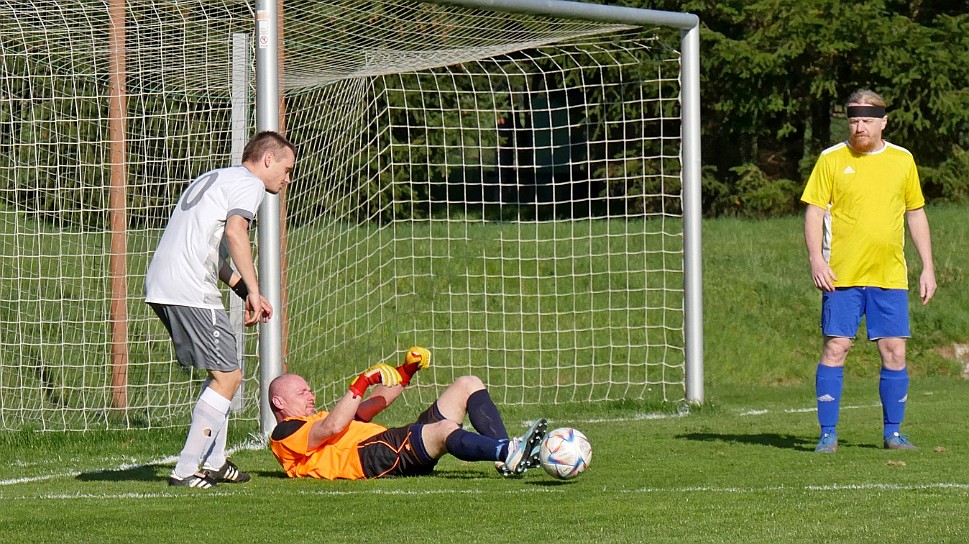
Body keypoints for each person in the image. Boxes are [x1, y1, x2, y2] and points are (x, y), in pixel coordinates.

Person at [145, 131, 297, 487]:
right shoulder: (250, 184)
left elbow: (214, 256)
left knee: (224, 373)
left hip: (165, 284)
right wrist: (257, 289)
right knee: (228, 377)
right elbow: (235, 233)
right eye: (287, 169)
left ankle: (214, 461)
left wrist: (245, 291)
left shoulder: (217, 177)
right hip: (190, 289)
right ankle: (185, 470)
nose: (287, 178)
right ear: (268, 159)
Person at [800, 89, 936, 454]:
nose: (860, 127)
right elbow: (813, 212)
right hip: (841, 275)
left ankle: (893, 432)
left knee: (894, 352)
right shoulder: (831, 159)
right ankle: (827, 433)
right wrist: (816, 260)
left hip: (889, 276)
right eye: (854, 120)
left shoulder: (902, 161)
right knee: (837, 347)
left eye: (867, 120)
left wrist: (928, 267)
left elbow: (915, 212)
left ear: (883, 122)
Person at [268, 347, 549, 480]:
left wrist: (405, 371)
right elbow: (331, 428)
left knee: (468, 384)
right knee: (443, 431)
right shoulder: (285, 432)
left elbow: (376, 402)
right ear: (279, 402)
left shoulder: (317, 419)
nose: (311, 395)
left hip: (385, 446)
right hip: (369, 457)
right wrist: (362, 381)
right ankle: (509, 451)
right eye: (302, 393)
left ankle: (505, 457)